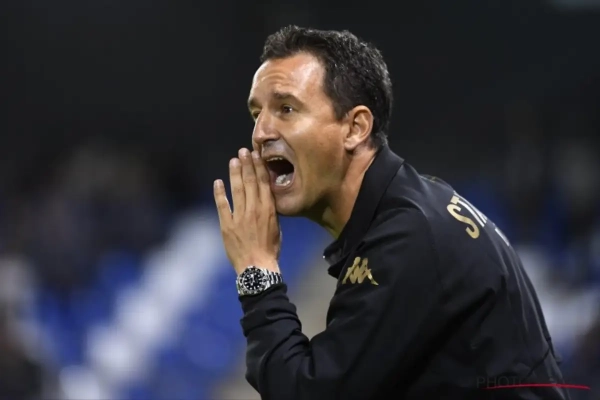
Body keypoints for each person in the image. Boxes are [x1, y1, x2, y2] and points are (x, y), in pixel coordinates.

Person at [213, 25, 571, 400]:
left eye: (286, 109)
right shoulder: (407, 213)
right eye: (257, 114)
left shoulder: (408, 238)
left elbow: (302, 392)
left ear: (355, 128)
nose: (261, 132)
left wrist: (256, 268)